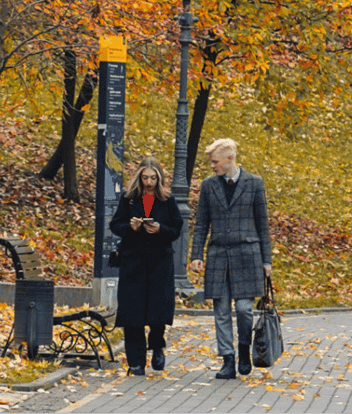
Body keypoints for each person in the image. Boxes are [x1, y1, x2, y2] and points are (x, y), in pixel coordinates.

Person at [189, 137, 273, 380]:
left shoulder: (255, 183)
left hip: (247, 255)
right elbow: (202, 222)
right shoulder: (208, 185)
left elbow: (262, 225)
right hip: (218, 255)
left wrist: (266, 261)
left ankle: (244, 349)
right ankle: (227, 360)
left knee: (245, 309)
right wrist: (196, 255)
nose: (212, 166)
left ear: (230, 158)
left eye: (215, 162)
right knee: (221, 310)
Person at [110, 158, 183, 375]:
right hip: (133, 262)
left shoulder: (167, 200)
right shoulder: (129, 199)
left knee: (157, 312)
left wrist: (160, 229)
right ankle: (135, 361)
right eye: (145, 178)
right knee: (132, 313)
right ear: (139, 178)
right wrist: (130, 226)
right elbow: (115, 224)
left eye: (153, 178)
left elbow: (176, 228)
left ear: (159, 178)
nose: (149, 182)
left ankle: (157, 346)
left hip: (159, 262)